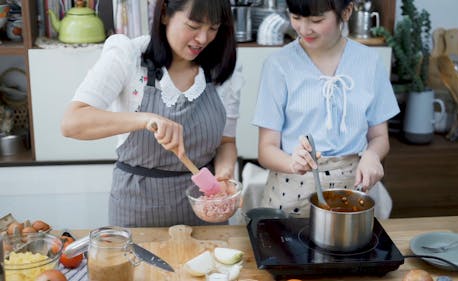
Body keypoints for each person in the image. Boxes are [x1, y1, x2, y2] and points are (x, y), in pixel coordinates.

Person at [61, 0, 243, 227]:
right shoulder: (129, 55)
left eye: (213, 28)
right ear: (165, 14)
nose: (203, 39)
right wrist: (146, 119)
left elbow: (226, 142)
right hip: (137, 209)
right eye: (194, 26)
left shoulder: (222, 68)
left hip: (203, 210)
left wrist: (223, 177)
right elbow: (72, 122)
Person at [252, 0, 399, 219]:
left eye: (316, 20)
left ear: (346, 12)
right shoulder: (278, 65)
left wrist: (372, 155)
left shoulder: (369, 62)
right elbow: (266, 149)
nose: (303, 29)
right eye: (296, 17)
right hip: (290, 190)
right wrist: (292, 163)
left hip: (353, 189)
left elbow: (379, 137)